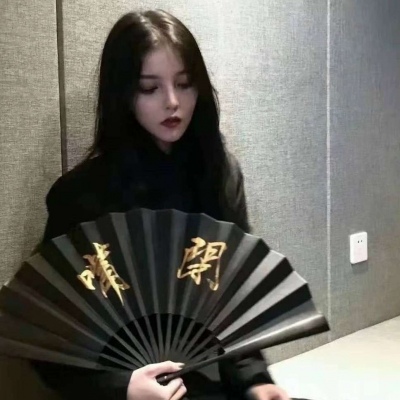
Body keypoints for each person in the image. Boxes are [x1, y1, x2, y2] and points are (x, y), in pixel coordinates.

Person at [34, 9, 293, 400]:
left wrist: (256, 381)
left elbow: (232, 297)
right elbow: (47, 333)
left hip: (206, 386)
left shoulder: (217, 175)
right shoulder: (81, 195)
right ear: (123, 94)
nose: (173, 102)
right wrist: (123, 388)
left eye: (185, 84)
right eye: (149, 88)